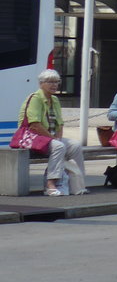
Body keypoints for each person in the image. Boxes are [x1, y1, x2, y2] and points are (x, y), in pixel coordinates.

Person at [19, 69, 87, 197]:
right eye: (50, 82)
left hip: (49, 138)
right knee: (59, 146)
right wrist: (54, 139)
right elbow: (35, 125)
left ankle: (78, 183)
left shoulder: (54, 99)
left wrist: (58, 138)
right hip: (32, 138)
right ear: (41, 84)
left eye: (56, 82)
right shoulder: (35, 98)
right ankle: (51, 185)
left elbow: (60, 123)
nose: (54, 85)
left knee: (75, 145)